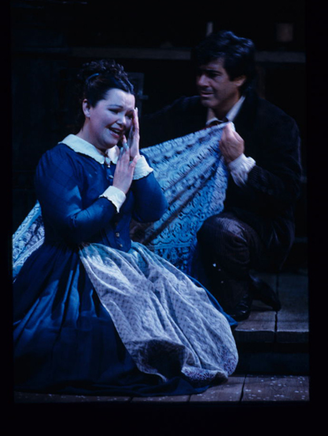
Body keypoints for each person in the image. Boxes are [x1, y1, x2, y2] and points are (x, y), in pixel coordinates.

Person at [13, 59, 238, 396]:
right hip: (71, 270)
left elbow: (152, 210)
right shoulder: (60, 159)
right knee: (101, 335)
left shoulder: (121, 156)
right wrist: (117, 189)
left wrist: (135, 158)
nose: (122, 122)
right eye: (115, 111)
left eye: (129, 114)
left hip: (126, 260)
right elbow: (74, 228)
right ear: (87, 107)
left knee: (186, 312)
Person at [140, 30, 303, 321]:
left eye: (213, 75)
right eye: (201, 73)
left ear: (239, 78)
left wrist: (239, 161)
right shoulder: (185, 111)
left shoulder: (275, 123)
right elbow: (143, 139)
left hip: (256, 228)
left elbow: (285, 193)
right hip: (186, 220)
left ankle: (237, 297)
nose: (202, 82)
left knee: (219, 230)